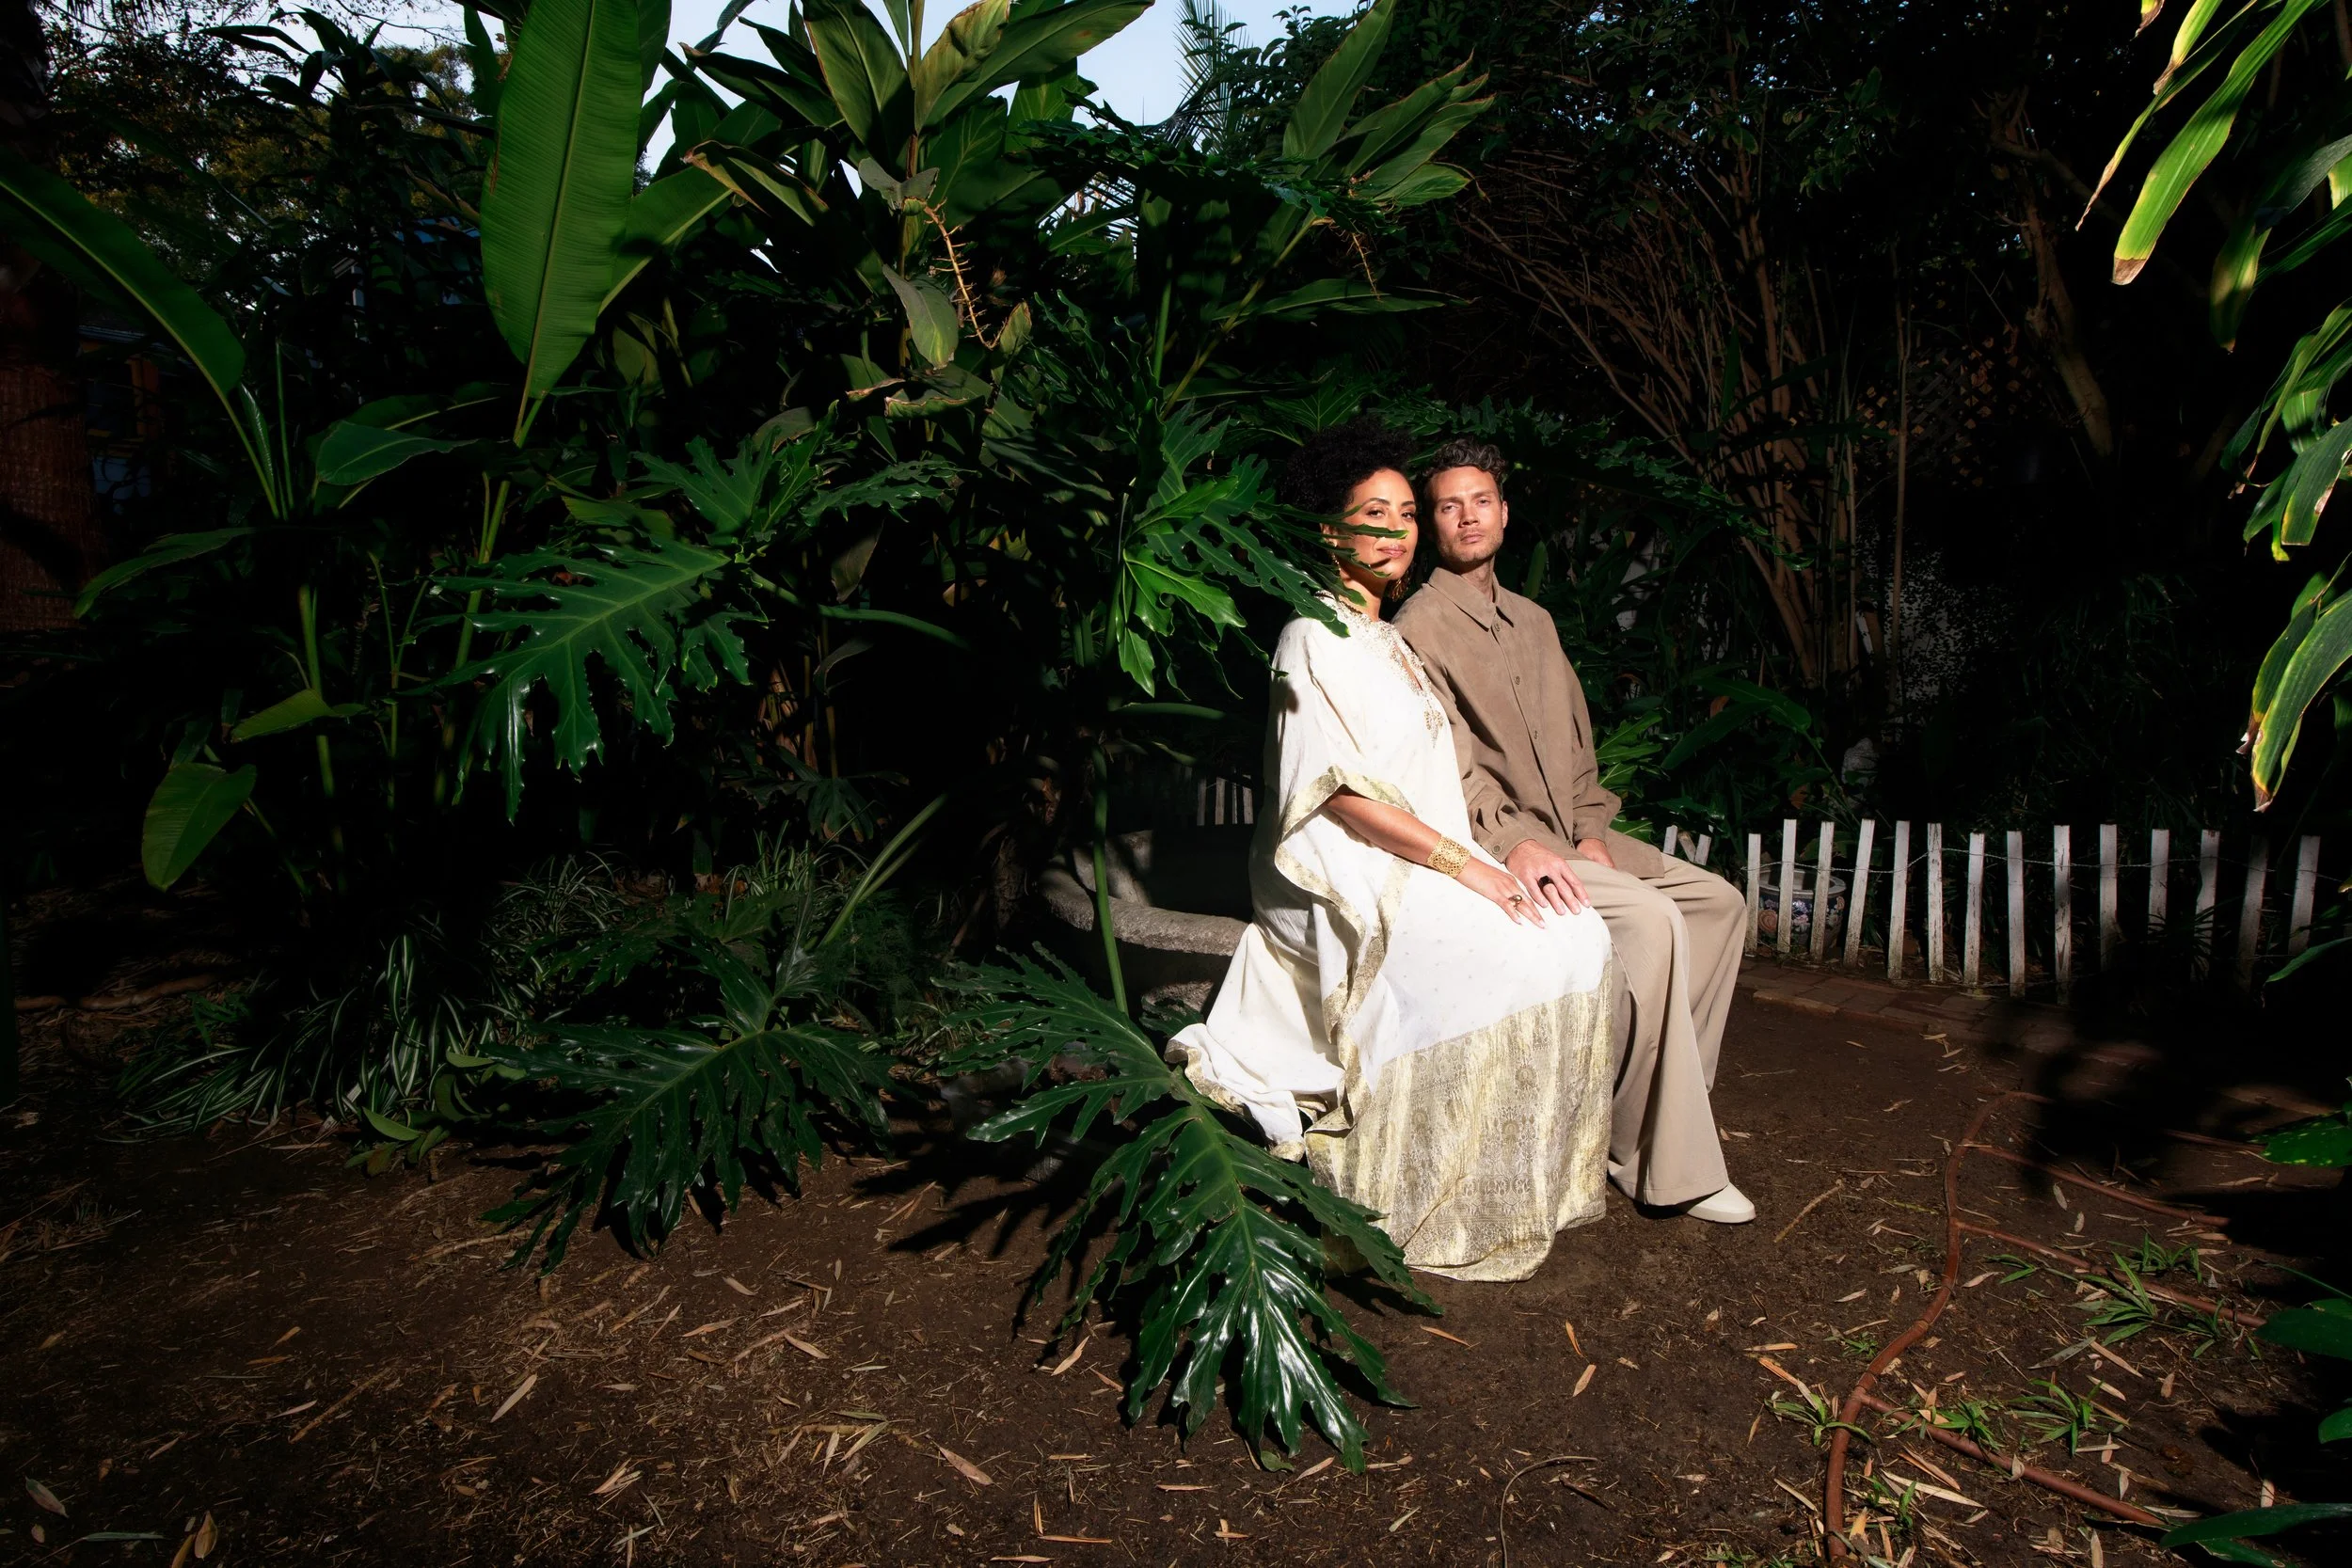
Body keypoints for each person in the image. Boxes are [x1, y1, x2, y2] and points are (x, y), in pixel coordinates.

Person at [1168, 420, 1621, 1282]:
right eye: (1373, 513)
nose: (1397, 529)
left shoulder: (1390, 640)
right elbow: (1338, 793)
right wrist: (1469, 869)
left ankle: (1514, 1180)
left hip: (1419, 854)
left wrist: (1486, 860)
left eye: (1407, 513)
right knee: (1521, 946)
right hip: (1341, 867)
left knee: (1575, 934)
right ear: (1328, 528)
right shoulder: (1311, 635)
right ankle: (1415, 1188)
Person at [1393, 438, 1756, 1225]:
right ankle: (1666, 1165)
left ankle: (1653, 1121)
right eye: (1449, 505)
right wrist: (1520, 844)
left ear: (1505, 512)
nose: (1467, 517)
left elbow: (1579, 749)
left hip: (1576, 836)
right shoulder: (1419, 626)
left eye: (1481, 500)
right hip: (1510, 846)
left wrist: (1591, 831)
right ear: (1432, 522)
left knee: (1719, 904)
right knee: (1653, 922)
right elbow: (1451, 765)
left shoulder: (1535, 621)